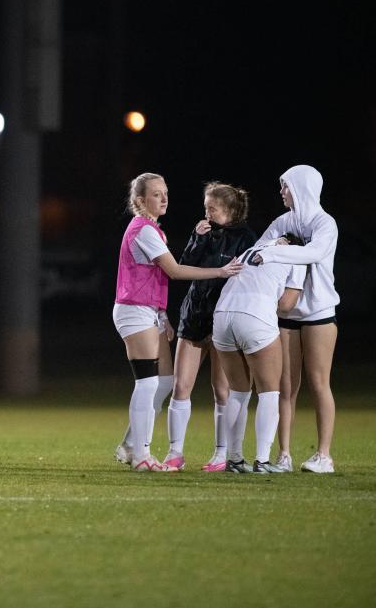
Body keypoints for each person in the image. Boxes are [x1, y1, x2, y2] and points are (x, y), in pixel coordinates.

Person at [113, 173, 242, 471]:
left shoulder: (153, 230)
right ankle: (142, 456)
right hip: (134, 310)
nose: (164, 198)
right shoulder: (143, 230)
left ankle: (132, 444)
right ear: (140, 200)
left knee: (165, 382)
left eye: (165, 192)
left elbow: (154, 277)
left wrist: (161, 314)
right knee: (146, 383)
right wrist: (220, 272)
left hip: (149, 312)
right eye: (156, 194)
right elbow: (174, 271)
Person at [163, 182, 257, 471]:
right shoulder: (204, 233)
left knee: (221, 390)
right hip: (194, 314)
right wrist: (196, 237)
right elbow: (184, 265)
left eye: (211, 208)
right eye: (205, 208)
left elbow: (251, 275)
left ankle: (220, 453)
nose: (206, 213)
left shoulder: (245, 238)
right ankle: (175, 453)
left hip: (223, 318)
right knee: (181, 385)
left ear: (228, 210)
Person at [253, 165, 339, 473]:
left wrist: (276, 252)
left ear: (301, 187)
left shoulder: (325, 223)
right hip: (286, 312)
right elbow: (258, 248)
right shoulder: (283, 221)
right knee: (285, 387)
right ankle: (284, 455)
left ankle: (324, 455)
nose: (281, 191)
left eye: (286, 186)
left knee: (319, 383)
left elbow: (312, 253)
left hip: (318, 314)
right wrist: (272, 248)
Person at [213, 236, 306, 473]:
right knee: (269, 392)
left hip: (222, 313)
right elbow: (286, 304)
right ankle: (262, 461)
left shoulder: (252, 247)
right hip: (254, 315)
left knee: (238, 392)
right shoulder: (297, 256)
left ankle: (234, 460)